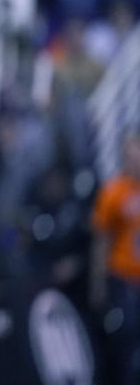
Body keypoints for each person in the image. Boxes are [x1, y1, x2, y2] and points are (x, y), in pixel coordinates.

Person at [90, 130, 140, 384]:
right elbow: (102, 241)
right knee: (124, 337)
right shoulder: (114, 191)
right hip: (123, 278)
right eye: (130, 150)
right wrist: (98, 283)